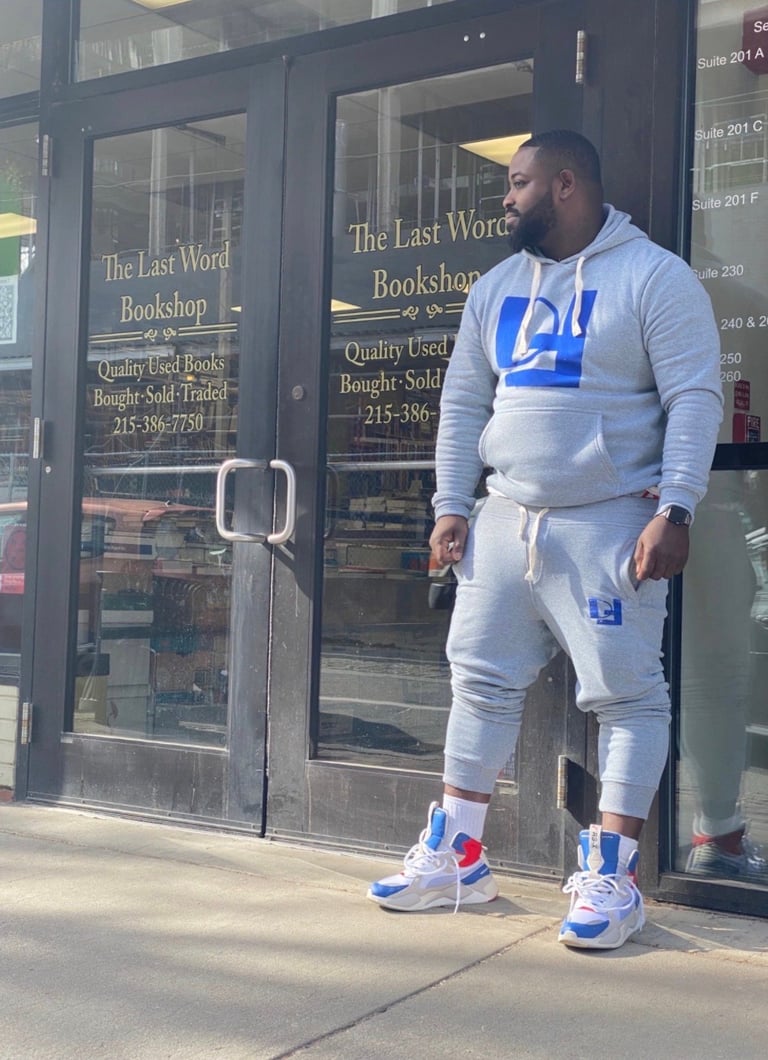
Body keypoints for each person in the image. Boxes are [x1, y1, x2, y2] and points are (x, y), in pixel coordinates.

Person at [367, 129, 723, 949]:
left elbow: (695, 398)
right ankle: (458, 858)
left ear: (566, 185)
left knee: (628, 698)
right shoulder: (495, 288)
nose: (506, 197)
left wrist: (677, 508)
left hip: (609, 523)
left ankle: (614, 879)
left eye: (519, 182)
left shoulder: (655, 277)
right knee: (478, 684)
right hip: (504, 519)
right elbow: (465, 402)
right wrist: (451, 503)